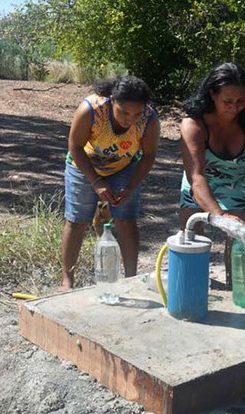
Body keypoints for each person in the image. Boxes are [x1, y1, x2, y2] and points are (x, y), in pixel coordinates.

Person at [178, 63, 245, 285]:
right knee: (191, 234)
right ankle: (193, 286)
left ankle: (236, 288)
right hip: (202, 181)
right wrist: (218, 214)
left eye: (241, 101)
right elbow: (197, 177)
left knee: (240, 240)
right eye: (227, 101)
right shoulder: (193, 123)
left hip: (242, 178)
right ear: (212, 94)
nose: (235, 107)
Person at [61, 76, 160, 290]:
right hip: (84, 165)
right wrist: (96, 181)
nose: (129, 119)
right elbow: (75, 147)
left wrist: (131, 186)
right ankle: (67, 281)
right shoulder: (90, 110)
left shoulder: (149, 119)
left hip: (124, 167)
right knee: (77, 220)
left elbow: (149, 155)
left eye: (136, 114)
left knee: (125, 219)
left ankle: (131, 279)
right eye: (124, 112)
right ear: (112, 100)